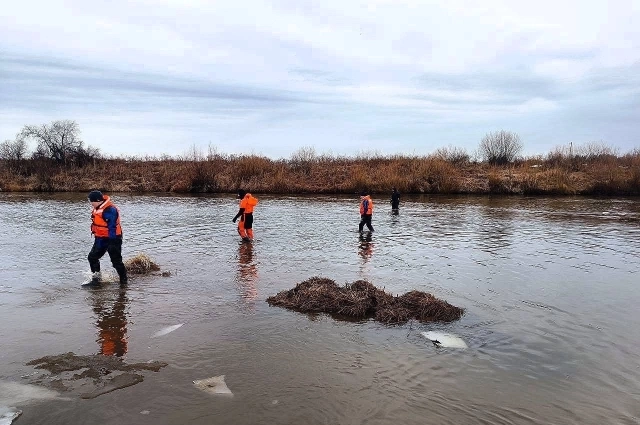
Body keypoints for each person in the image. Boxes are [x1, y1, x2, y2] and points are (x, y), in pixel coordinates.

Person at [86, 190, 128, 286]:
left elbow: (112, 227)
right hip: (100, 238)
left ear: (97, 200)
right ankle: (96, 280)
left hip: (113, 238)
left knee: (116, 261)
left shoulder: (110, 210)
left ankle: (124, 282)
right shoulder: (98, 208)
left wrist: (112, 242)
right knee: (92, 257)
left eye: (91, 201)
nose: (91, 203)